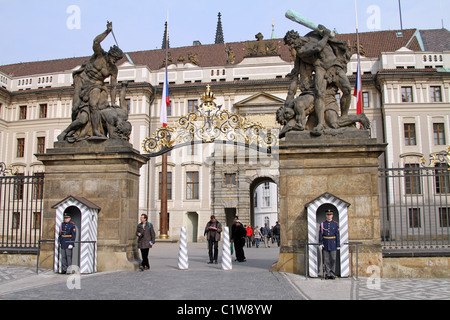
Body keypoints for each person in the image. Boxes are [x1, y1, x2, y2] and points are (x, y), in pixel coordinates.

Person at [319, 209, 340, 280]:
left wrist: (338, 245)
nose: (329, 216)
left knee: (333, 259)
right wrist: (320, 243)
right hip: (325, 243)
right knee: (326, 259)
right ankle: (327, 274)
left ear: (332, 216)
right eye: (328, 215)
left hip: (333, 243)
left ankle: (332, 273)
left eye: (330, 215)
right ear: (326, 215)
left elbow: (337, 235)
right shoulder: (323, 224)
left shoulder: (335, 224)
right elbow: (320, 234)